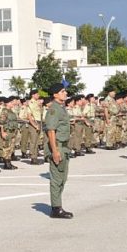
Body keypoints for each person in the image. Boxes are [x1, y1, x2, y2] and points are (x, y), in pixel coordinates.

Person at [44, 84, 73, 219]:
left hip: (64, 146)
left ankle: (57, 205)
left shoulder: (61, 108)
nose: (65, 93)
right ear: (55, 95)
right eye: (62, 91)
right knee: (57, 179)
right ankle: (56, 208)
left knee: (63, 178)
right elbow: (51, 131)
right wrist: (55, 151)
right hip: (58, 146)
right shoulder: (54, 110)